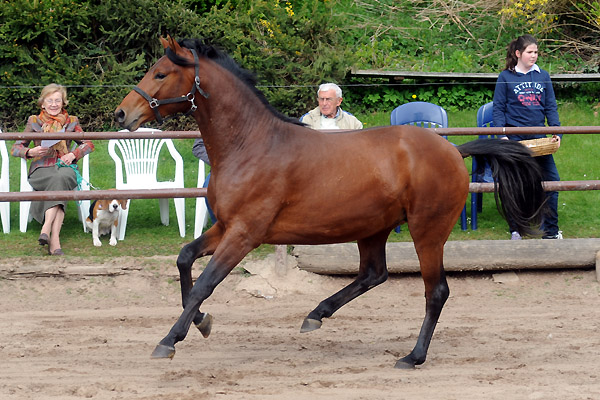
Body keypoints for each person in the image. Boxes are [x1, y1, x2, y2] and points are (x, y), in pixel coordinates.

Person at [493, 34, 562, 240]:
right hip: (514, 139)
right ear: (518, 54)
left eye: (536, 52)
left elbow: (550, 106)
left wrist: (556, 131)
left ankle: (551, 231)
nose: (534, 56)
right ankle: (516, 229)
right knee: (512, 183)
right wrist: (502, 135)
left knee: (553, 182)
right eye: (530, 52)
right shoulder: (505, 77)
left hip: (539, 139)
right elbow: (498, 109)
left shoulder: (543, 75)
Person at [11, 83, 94, 255]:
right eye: (50, 100)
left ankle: (46, 229)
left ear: (63, 103)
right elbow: (15, 148)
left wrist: (73, 155)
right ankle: (54, 239)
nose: (54, 104)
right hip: (41, 169)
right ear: (43, 103)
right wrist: (30, 152)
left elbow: (89, 144)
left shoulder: (72, 121)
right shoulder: (34, 121)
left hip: (65, 167)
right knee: (58, 181)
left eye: (58, 100)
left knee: (61, 177)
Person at [192, 137, 216, 224]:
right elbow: (198, 146)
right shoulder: (212, 123)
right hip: (220, 170)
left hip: (249, 169)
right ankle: (219, 227)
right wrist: (217, 161)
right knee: (209, 188)